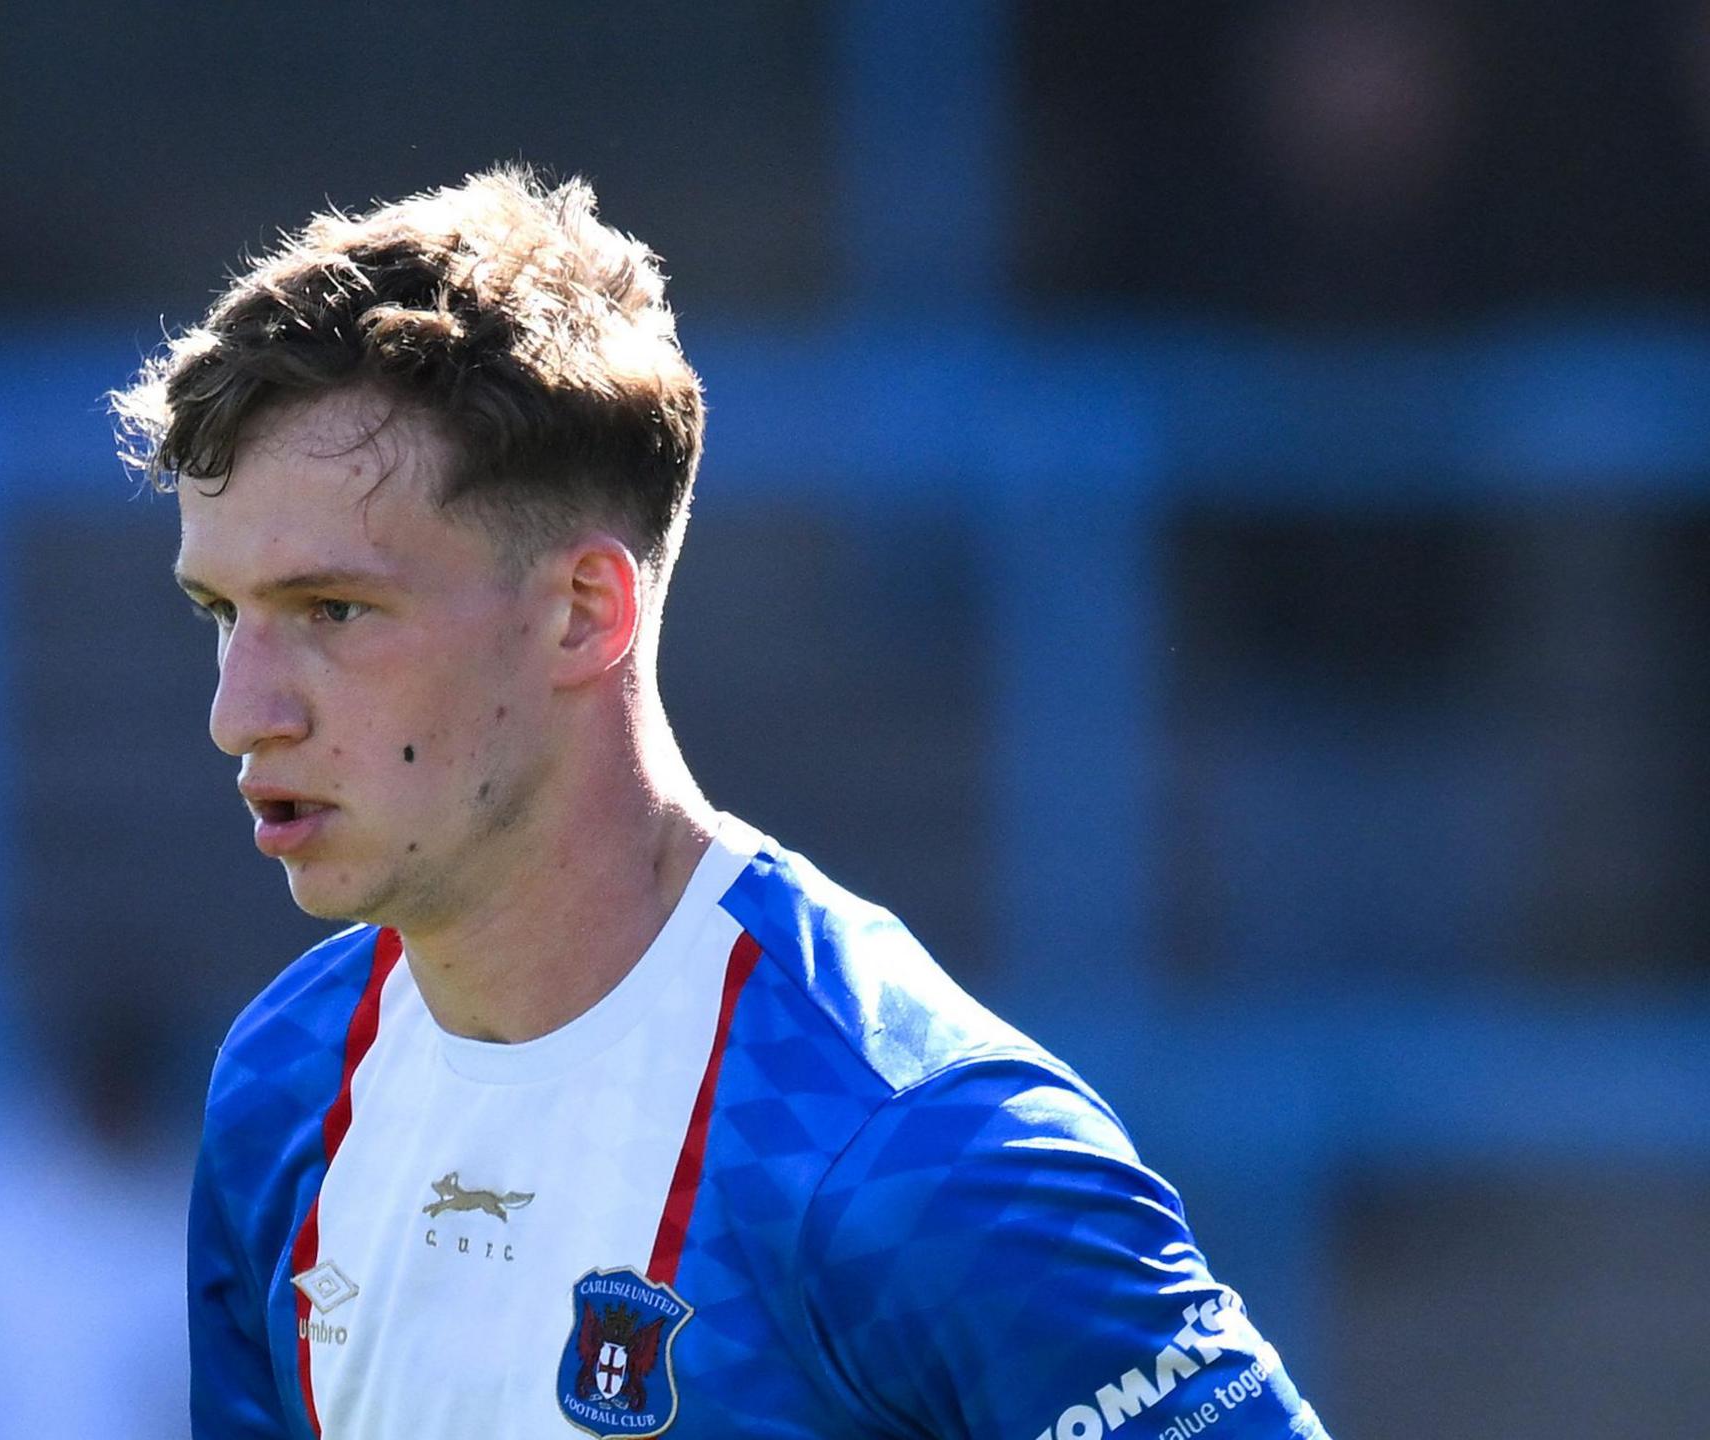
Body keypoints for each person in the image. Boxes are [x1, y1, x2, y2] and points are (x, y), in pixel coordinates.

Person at [112, 166, 1330, 1440]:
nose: (240, 711)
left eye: (333, 612)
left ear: (583, 612)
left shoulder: (916, 1156)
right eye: (222, 617)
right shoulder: (285, 1089)